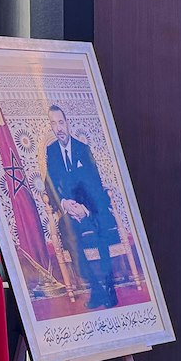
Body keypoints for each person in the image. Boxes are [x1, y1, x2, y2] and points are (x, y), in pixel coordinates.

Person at [44, 104, 118, 309]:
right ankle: (96, 288)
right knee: (67, 231)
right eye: (54, 124)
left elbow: (95, 183)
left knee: (101, 228)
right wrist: (65, 204)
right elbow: (49, 184)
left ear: (67, 123)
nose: (58, 128)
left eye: (61, 122)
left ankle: (110, 287)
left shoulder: (82, 149)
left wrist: (85, 209)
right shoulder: (51, 151)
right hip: (70, 210)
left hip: (91, 208)